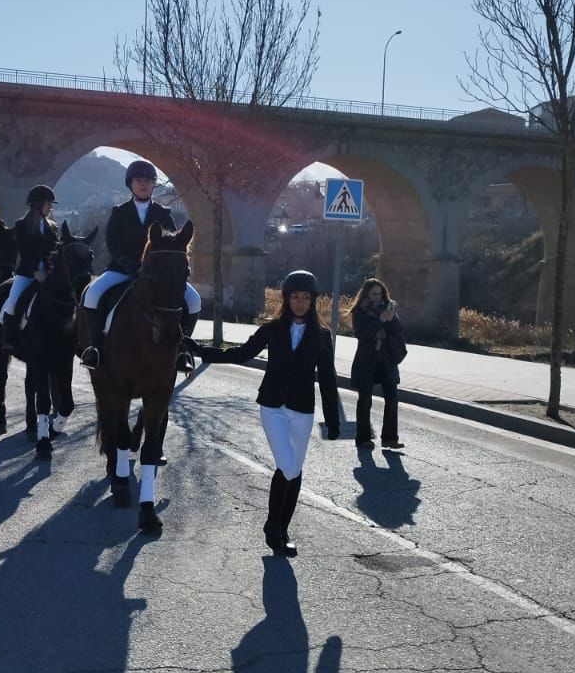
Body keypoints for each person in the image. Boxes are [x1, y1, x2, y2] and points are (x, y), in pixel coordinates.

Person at [193, 270, 340, 557]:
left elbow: (328, 379)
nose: (300, 302)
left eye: (305, 298)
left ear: (313, 301)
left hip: (302, 409)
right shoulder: (272, 329)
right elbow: (242, 353)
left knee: (295, 471)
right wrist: (203, 351)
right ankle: (273, 526)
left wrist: (333, 422)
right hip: (272, 406)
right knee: (287, 466)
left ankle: (281, 529)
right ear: (286, 299)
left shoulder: (322, 336)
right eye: (295, 297)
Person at [80, 159, 200, 372]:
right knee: (92, 294)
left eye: (148, 180)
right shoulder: (119, 211)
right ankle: (94, 348)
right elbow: (112, 242)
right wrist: (127, 263)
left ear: (154, 184)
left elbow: (173, 241)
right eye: (139, 180)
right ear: (130, 183)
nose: (144, 184)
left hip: (156, 274)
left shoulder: (163, 214)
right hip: (122, 269)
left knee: (193, 299)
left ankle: (182, 350)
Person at [349, 277, 406, 451]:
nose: (378, 297)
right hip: (367, 361)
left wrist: (391, 319)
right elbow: (362, 334)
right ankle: (363, 438)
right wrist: (380, 320)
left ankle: (390, 438)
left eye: (380, 293)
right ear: (366, 294)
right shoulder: (359, 311)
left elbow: (398, 332)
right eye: (374, 294)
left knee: (392, 399)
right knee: (365, 401)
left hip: (386, 360)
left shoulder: (388, 308)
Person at [0, 184, 58, 330]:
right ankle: (9, 339)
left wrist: (51, 271)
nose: (51, 207)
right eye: (48, 203)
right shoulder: (22, 225)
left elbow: (54, 252)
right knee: (12, 305)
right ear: (38, 204)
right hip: (27, 273)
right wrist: (35, 272)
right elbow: (25, 252)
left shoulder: (53, 228)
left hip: (49, 275)